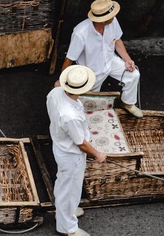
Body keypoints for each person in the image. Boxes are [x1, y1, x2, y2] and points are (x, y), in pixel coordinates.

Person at [47, 65, 107, 236]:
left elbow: (57, 85)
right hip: (71, 155)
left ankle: (66, 211)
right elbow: (81, 143)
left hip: (60, 145)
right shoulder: (70, 116)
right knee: (70, 188)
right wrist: (98, 154)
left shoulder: (55, 92)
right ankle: (68, 228)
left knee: (64, 184)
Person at [60, 0, 142, 118]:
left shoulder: (112, 21)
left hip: (110, 61)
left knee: (134, 74)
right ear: (102, 20)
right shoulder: (80, 32)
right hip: (91, 70)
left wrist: (127, 59)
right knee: (90, 104)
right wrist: (64, 82)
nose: (114, 17)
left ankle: (127, 103)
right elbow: (69, 59)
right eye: (111, 16)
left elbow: (117, 40)